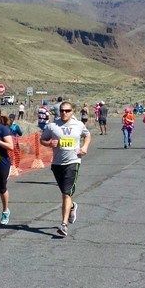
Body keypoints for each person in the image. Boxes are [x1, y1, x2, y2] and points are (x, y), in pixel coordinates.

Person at [40, 101, 91, 238]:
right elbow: (42, 140)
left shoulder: (79, 125)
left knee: (65, 193)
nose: (64, 113)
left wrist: (84, 147)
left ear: (72, 111)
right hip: (57, 163)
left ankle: (63, 225)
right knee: (65, 192)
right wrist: (49, 143)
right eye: (62, 110)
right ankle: (72, 206)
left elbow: (87, 135)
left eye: (67, 110)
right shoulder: (52, 126)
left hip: (73, 161)